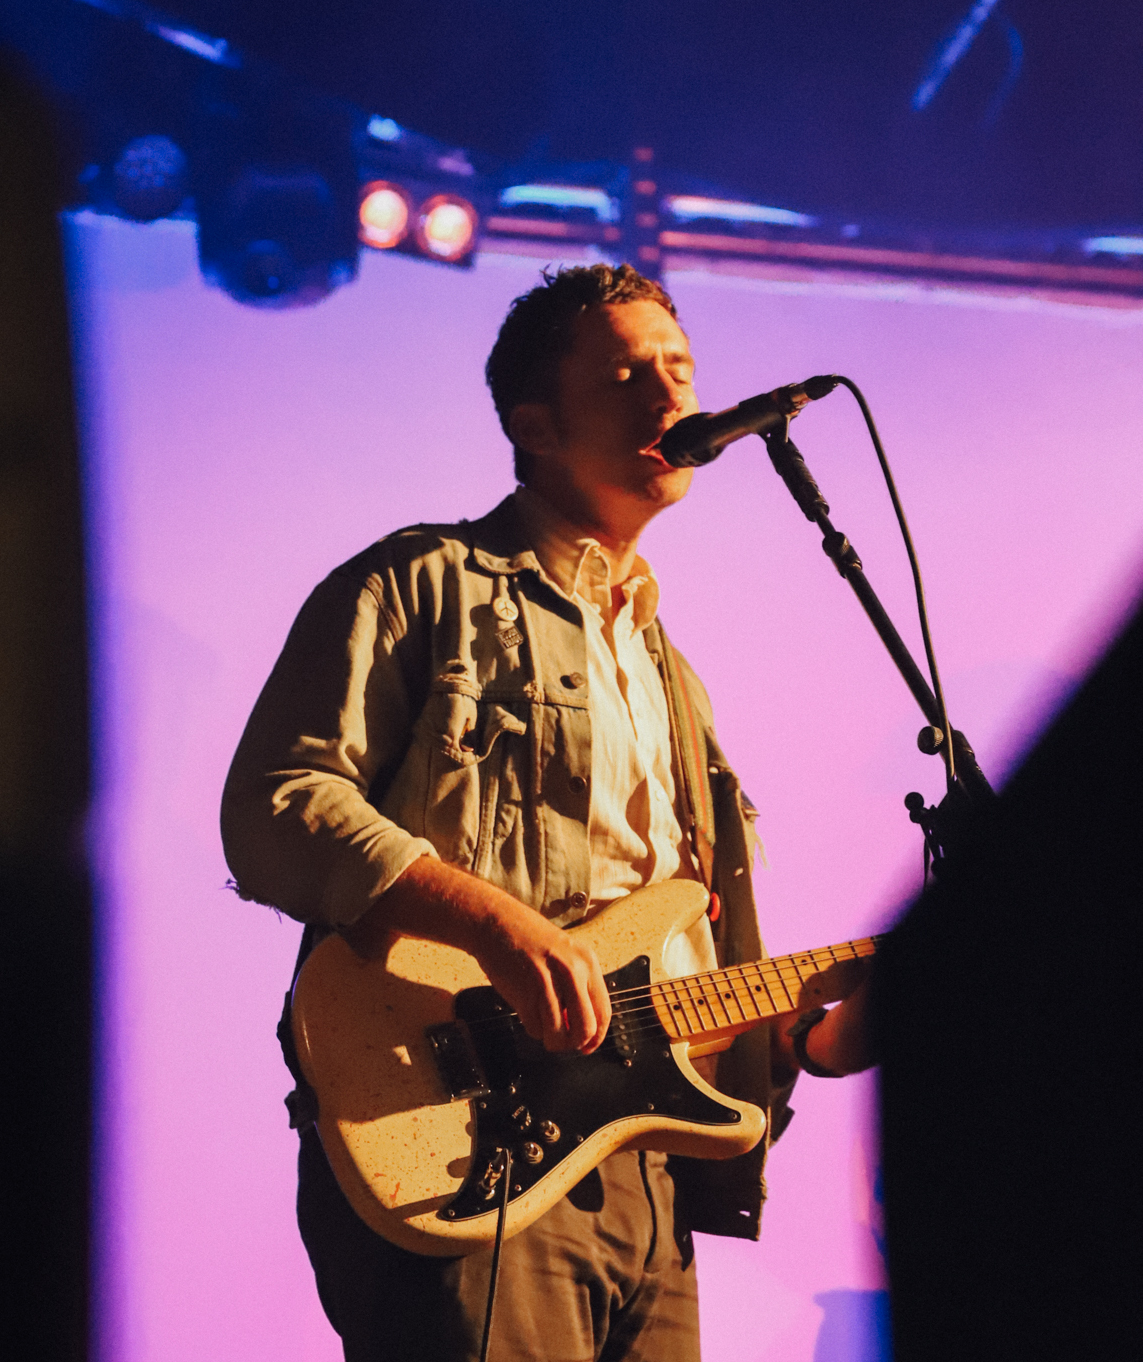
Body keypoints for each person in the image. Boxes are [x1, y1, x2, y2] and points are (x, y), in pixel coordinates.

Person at [221, 263, 873, 1361]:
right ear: (535, 425)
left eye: (680, 368)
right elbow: (279, 802)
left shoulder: (675, 678)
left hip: (649, 1173)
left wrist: (815, 1031)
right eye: (627, 375)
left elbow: (675, 953)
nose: (672, 398)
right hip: (476, 1141)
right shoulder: (420, 584)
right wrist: (495, 923)